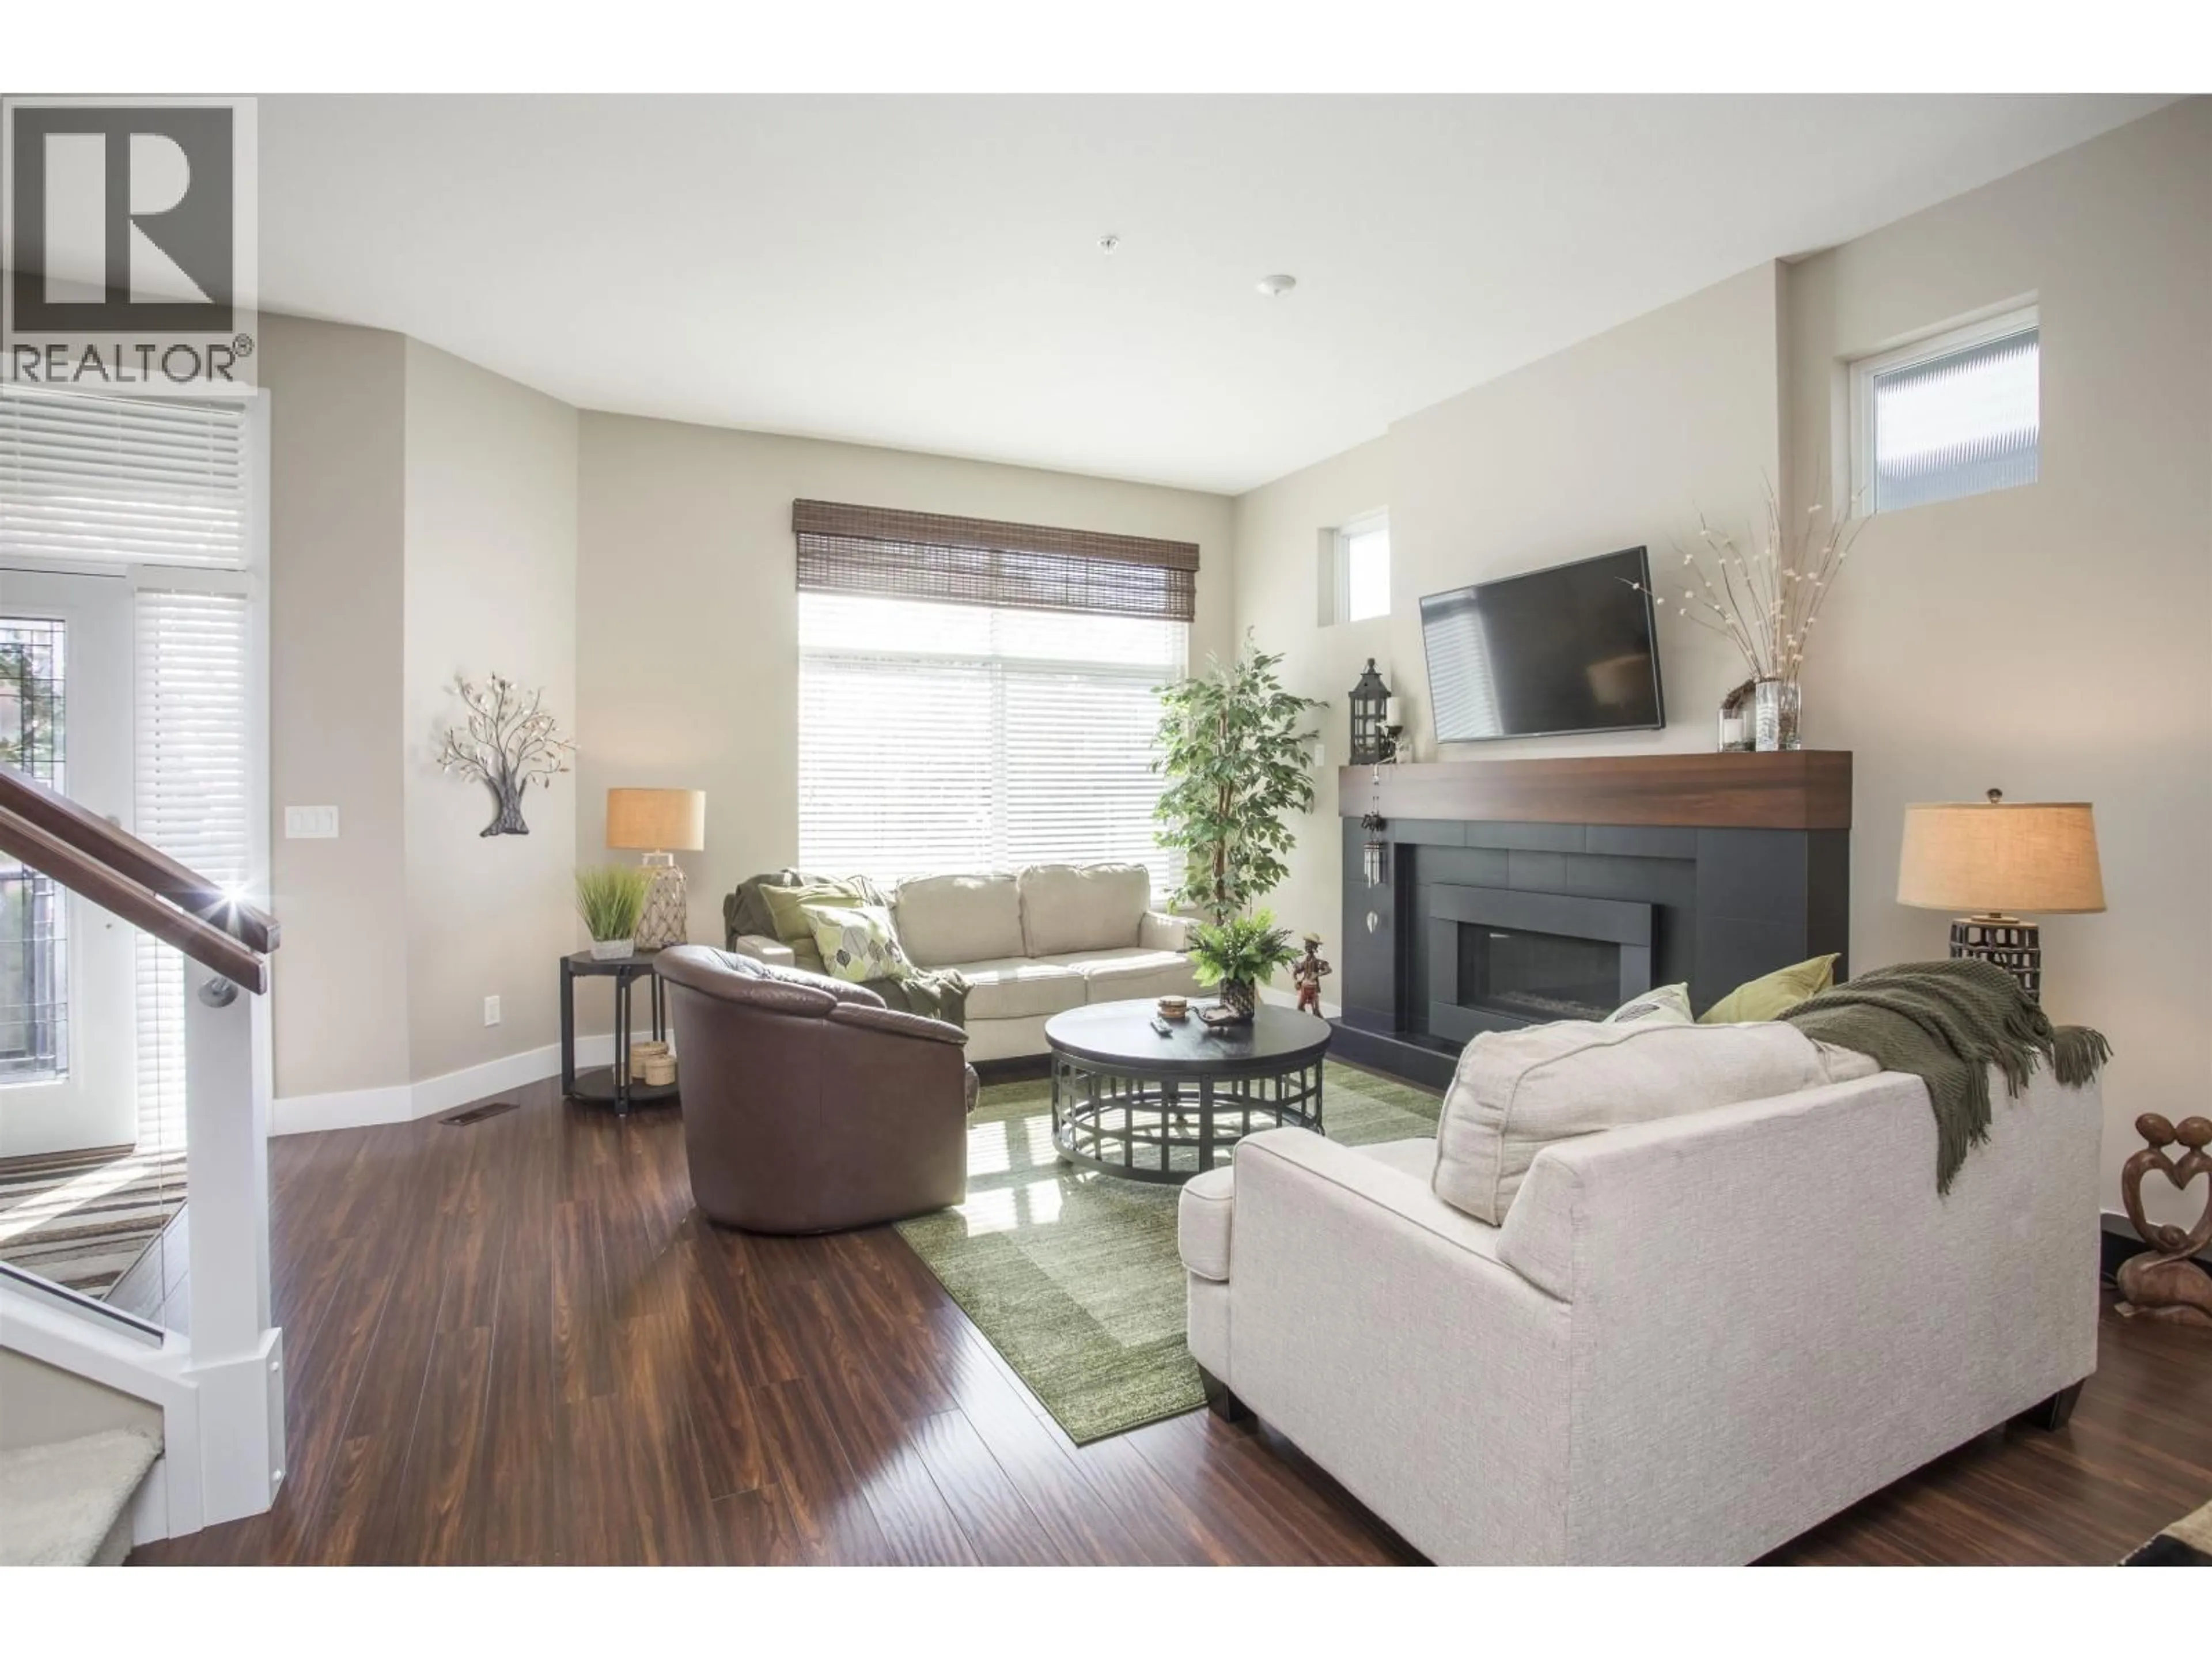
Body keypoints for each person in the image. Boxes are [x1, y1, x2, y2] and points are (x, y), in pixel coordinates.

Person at [1291, 934, 1332, 1016]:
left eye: (1309, 944)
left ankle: (1319, 1025)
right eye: (1306, 944)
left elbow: (1328, 970)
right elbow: (1297, 971)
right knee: (1300, 1008)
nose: (1307, 946)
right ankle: (1305, 1023)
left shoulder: (1317, 962)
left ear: (1314, 947)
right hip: (1304, 987)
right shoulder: (1306, 961)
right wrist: (1296, 980)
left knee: (1315, 1010)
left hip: (1313, 988)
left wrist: (1317, 974)